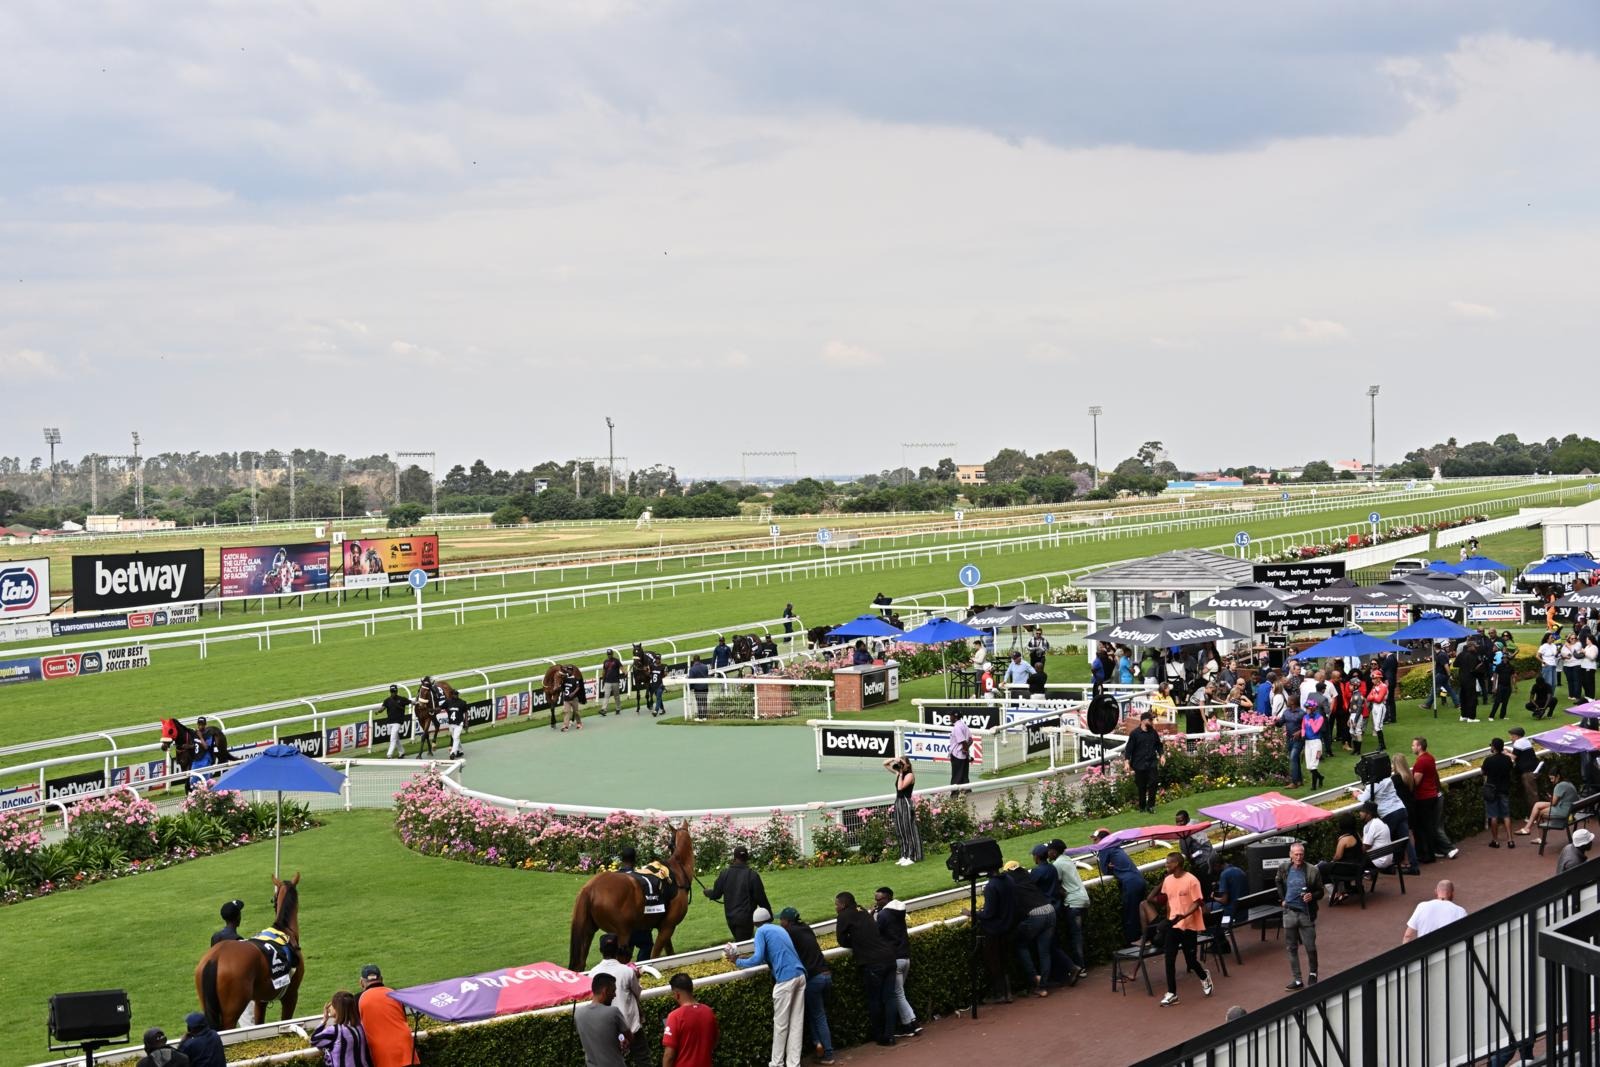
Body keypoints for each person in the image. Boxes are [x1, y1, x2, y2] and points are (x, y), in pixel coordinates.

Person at [727, 906, 806, 1067]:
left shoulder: (761, 932)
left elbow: (757, 958)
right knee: (796, 1023)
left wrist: (738, 961)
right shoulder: (778, 929)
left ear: (755, 923)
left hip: (786, 980)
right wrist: (746, 958)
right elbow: (768, 955)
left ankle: (776, 1063)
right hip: (800, 976)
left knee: (781, 1025)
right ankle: (793, 1064)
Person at [836, 891, 900, 1046]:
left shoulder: (844, 916)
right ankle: (890, 1034)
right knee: (889, 998)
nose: (835, 907)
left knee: (875, 1000)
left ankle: (880, 1035)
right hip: (889, 958)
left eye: (836, 904)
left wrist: (856, 943)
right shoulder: (863, 911)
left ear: (843, 904)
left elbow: (842, 940)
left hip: (872, 962)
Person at [777, 908, 835, 1066]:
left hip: (814, 979)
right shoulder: (805, 928)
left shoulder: (789, 933)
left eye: (781, 920)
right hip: (826, 975)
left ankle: (828, 1054)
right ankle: (819, 1047)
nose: (779, 923)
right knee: (815, 1015)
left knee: (818, 1016)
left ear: (787, 922)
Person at [1157, 851, 1215, 1006]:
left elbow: (1197, 902)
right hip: (1173, 925)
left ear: (1176, 864)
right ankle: (1172, 993)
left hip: (1189, 925)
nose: (1166, 864)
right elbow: (1169, 901)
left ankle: (1204, 977)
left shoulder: (1191, 880)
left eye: (1168, 862)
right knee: (1169, 959)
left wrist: (1184, 916)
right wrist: (1170, 919)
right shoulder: (1167, 880)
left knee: (1191, 960)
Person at [872, 888, 922, 1038]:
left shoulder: (883, 914)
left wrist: (870, 916)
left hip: (895, 959)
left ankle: (911, 1023)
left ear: (887, 898)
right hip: (905, 957)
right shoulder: (900, 910)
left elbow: (876, 934)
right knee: (900, 993)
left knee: (897, 993)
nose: (876, 903)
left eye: (878, 900)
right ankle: (909, 1023)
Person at [591, 934, 645, 1066]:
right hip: (631, 1028)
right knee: (643, 1061)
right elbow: (637, 993)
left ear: (600, 950)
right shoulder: (627, 971)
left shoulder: (593, 973)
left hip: (608, 1031)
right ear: (617, 949)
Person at [1005, 859, 1056, 996]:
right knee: (1044, 952)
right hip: (1050, 910)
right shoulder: (1027, 877)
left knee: (1020, 945)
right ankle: (1043, 987)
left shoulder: (1012, 884)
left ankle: (1034, 978)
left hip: (1036, 915)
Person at [1275, 842, 1323, 990]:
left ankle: (1313, 973)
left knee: (1310, 947)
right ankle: (1297, 980)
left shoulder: (1312, 870)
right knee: (1291, 948)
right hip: (1289, 913)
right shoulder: (1284, 868)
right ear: (1290, 855)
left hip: (1306, 914)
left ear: (1304, 854)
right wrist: (1282, 899)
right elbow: (1277, 881)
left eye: (1301, 854)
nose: (1298, 857)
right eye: (1296, 854)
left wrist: (1312, 896)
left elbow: (1321, 891)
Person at [1094, 827, 1149, 943]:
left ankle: (1134, 940)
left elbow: (1104, 870)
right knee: (1140, 910)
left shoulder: (1104, 849)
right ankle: (1146, 937)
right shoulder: (1115, 847)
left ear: (1102, 839)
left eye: (1095, 839)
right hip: (1138, 880)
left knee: (1131, 913)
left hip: (1131, 884)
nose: (1094, 842)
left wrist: (1109, 868)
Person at [706, 845, 771, 941]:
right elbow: (761, 898)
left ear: (734, 858)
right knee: (743, 946)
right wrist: (769, 916)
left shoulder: (725, 874)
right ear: (747, 858)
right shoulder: (752, 875)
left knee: (741, 943)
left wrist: (707, 892)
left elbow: (716, 894)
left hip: (730, 918)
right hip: (746, 919)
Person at [357, 964, 416, 1067]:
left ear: (361, 982)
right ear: (381, 979)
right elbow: (403, 1017)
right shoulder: (394, 993)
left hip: (382, 1052)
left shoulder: (358, 999)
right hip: (405, 1047)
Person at [1047, 838, 1090, 980]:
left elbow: (1056, 885)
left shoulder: (1057, 864)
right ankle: (1083, 964)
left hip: (1073, 903)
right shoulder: (1067, 859)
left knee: (1075, 937)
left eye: (1050, 850)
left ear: (1054, 851)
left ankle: (1081, 967)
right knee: (1079, 935)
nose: (1048, 853)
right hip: (1083, 899)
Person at [1411, 738, 1459, 863]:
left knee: (1430, 827)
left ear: (1420, 747)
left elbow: (1416, 782)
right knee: (1433, 825)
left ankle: (1448, 848)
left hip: (1424, 798)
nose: (1412, 747)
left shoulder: (1420, 762)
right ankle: (1438, 849)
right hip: (1433, 795)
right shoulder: (1430, 758)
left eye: (1413, 745)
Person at [575, 972, 630, 1067]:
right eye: (613, 991)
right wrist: (624, 1039)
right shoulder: (613, 1012)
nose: (615, 995)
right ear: (605, 991)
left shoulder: (578, 1013)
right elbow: (630, 1037)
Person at [309, 990, 371, 1067]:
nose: (330, 1007)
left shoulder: (335, 1031)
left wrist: (324, 1020)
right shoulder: (360, 1026)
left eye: (332, 1004)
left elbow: (313, 1040)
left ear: (337, 1008)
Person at [883, 757, 922, 865]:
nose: (901, 765)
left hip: (906, 803)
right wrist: (895, 760)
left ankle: (912, 856)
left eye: (903, 763)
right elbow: (885, 764)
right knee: (901, 830)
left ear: (908, 765)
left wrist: (900, 773)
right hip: (898, 802)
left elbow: (900, 788)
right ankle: (904, 855)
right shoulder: (899, 772)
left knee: (908, 828)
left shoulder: (909, 775)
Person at [1125, 711, 1165, 813]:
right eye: (1150, 720)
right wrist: (1126, 762)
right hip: (1139, 764)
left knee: (1154, 782)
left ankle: (1151, 806)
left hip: (1151, 763)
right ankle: (1142, 807)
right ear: (1143, 721)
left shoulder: (1153, 732)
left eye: (1152, 720)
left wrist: (1162, 755)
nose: (1152, 722)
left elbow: (1158, 745)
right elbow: (1129, 749)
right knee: (1141, 786)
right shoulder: (1134, 734)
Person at [1521, 766, 1578, 837]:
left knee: (1539, 812)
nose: (1551, 780)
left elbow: (1554, 803)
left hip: (1564, 811)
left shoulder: (1559, 786)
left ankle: (1540, 837)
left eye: (1552, 778)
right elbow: (1558, 800)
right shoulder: (1568, 783)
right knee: (1537, 805)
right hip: (1570, 810)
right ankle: (1527, 828)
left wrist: (1548, 797)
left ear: (1558, 776)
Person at [1403, 880, 1467, 942]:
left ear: (1436, 891)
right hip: (1448, 950)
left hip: (1425, 949)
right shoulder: (1461, 911)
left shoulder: (1422, 906)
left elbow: (1407, 936)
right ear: (1452, 893)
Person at [1482, 737, 1516, 849]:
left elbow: (1484, 772)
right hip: (1504, 789)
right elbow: (1511, 768)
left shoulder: (1488, 760)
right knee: (1506, 815)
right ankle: (1510, 840)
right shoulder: (1507, 759)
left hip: (1492, 791)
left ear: (1493, 747)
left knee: (1493, 816)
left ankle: (1495, 840)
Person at [1276, 692, 1306, 788]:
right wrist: (1275, 722)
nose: (1287, 701)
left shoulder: (1302, 713)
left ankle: (1294, 782)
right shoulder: (1286, 712)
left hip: (1298, 740)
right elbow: (1281, 723)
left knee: (1293, 758)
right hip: (1289, 739)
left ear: (1293, 702)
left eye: (1288, 700)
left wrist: (1300, 732)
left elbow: (1307, 726)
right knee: (1295, 759)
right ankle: (1299, 780)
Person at [1210, 856, 1249, 926]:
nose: (1214, 871)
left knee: (1207, 906)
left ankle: (1221, 928)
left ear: (1217, 865)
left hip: (1232, 911)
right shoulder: (1239, 870)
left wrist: (1213, 897)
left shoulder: (1224, 874)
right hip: (1244, 910)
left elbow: (1224, 900)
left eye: (1214, 868)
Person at [1510, 726, 1540, 812]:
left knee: (1531, 794)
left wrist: (1505, 753)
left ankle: (1535, 815)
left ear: (1516, 736)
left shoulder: (1518, 742)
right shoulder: (1526, 741)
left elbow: (1514, 757)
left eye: (1512, 736)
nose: (1511, 738)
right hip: (1534, 769)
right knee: (1534, 792)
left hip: (1528, 772)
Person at [1359, 802, 1395, 874]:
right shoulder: (1378, 822)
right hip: (1387, 859)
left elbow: (1365, 847)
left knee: (1353, 860)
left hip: (1379, 860)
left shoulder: (1373, 825)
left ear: (1369, 814)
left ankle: (1358, 882)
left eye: (1362, 811)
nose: (1360, 813)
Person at [381, 685, 412, 758]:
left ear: (397, 691)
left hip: (398, 722)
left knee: (393, 738)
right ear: (390, 692)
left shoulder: (402, 699)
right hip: (389, 722)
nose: (393, 693)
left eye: (394, 692)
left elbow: (411, 702)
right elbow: (382, 708)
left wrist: (418, 702)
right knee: (396, 738)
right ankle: (402, 752)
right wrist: (379, 711)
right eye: (392, 692)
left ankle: (389, 754)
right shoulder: (387, 700)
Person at [1302, 699, 1326, 791]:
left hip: (1316, 742)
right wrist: (1303, 735)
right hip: (1307, 742)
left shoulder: (1320, 717)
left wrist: (1311, 720)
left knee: (1314, 765)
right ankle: (1320, 777)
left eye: (1308, 708)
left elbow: (1315, 729)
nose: (1307, 710)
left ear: (1313, 709)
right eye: (1306, 708)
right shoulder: (1305, 717)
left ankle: (1314, 785)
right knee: (1309, 766)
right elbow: (1303, 727)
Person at [948, 715, 973, 787]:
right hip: (964, 756)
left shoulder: (957, 727)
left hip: (957, 755)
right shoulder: (964, 725)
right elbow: (971, 740)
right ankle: (967, 793)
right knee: (965, 778)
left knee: (956, 778)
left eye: (951, 716)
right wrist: (966, 751)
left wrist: (965, 749)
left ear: (955, 717)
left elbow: (963, 741)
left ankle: (954, 795)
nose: (950, 718)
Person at [598, 651, 624, 716]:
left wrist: (625, 672)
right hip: (607, 681)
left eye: (610, 654)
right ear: (607, 654)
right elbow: (604, 671)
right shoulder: (605, 662)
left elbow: (621, 667)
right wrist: (603, 679)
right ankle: (604, 709)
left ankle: (618, 708)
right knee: (606, 696)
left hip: (615, 681)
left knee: (616, 696)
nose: (609, 655)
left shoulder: (616, 661)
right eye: (608, 654)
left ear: (612, 654)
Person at [686, 655, 710, 719]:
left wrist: (690, 688)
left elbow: (691, 680)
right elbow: (706, 675)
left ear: (693, 660)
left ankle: (700, 716)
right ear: (700, 659)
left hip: (697, 688)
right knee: (704, 701)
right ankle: (705, 716)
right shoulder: (705, 667)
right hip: (705, 687)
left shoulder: (692, 669)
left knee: (699, 702)